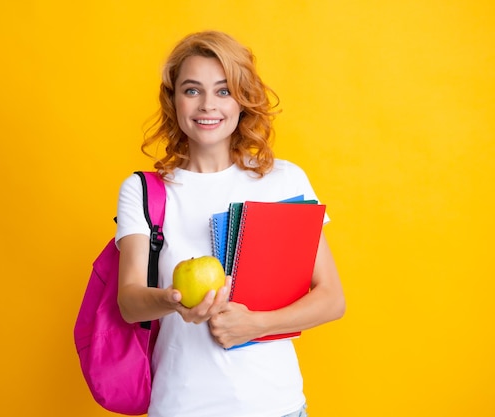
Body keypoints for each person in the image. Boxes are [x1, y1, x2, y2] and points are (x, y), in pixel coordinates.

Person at [115, 30, 345, 417]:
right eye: (192, 90)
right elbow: (129, 303)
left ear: (243, 100)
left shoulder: (282, 180)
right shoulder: (144, 190)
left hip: (278, 405)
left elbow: (331, 298)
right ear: (173, 100)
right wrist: (172, 300)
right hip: (182, 406)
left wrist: (255, 325)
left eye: (223, 91)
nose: (208, 105)